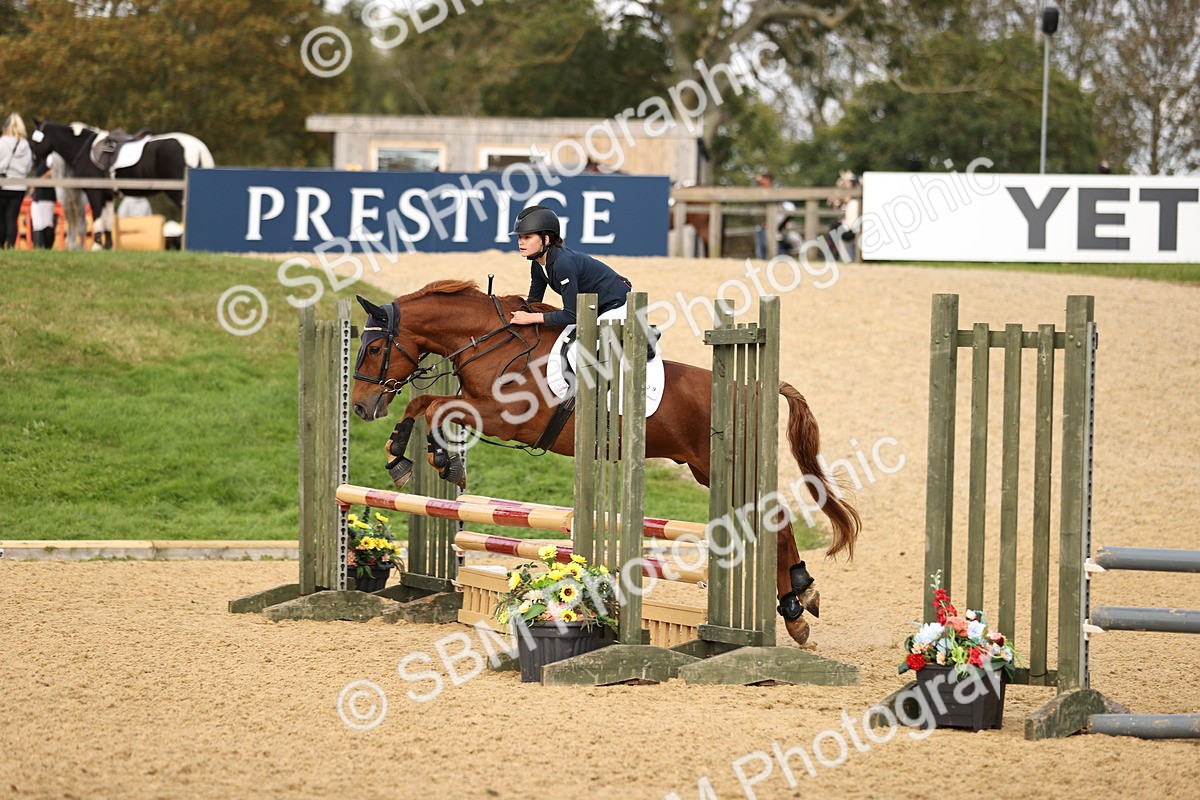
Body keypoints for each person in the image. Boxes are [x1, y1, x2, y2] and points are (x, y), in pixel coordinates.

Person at [507, 205, 632, 328]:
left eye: (527, 237)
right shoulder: (537, 264)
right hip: (593, 307)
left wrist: (532, 318)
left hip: (617, 302)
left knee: (596, 340)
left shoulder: (562, 264)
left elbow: (572, 315)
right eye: (519, 237)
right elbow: (533, 303)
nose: (521, 242)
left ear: (546, 240)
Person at [0, 113, 34, 249]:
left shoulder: (2, 142)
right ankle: (10, 246)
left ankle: (1, 246)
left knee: (1, 217)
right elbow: (29, 166)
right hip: (19, 186)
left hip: (3, 184)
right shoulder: (25, 144)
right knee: (12, 217)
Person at [29, 155, 58, 249]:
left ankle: (45, 246)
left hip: (46, 194)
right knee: (38, 224)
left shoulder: (50, 158)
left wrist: (40, 180)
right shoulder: (42, 160)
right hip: (39, 195)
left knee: (45, 223)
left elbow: (54, 170)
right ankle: (39, 246)